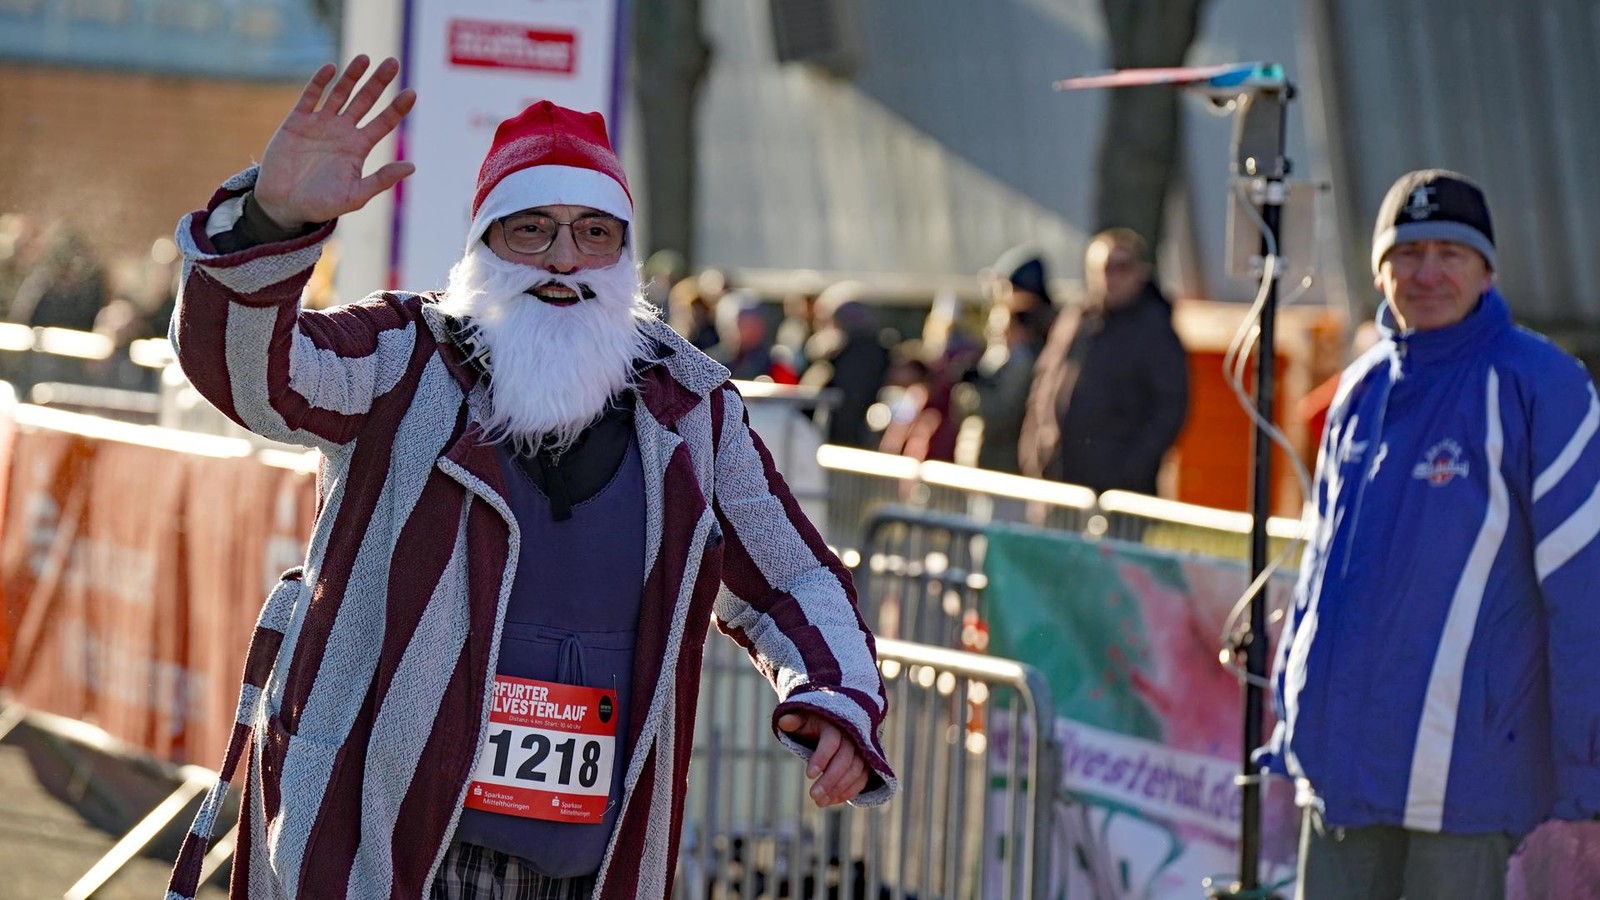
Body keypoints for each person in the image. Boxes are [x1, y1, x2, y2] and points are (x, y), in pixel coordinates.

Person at [163, 56, 895, 900]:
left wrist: (837, 695)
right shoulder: (404, 356)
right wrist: (268, 222)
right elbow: (250, 377)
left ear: (623, 254)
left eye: (594, 232)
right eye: (531, 228)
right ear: (483, 244)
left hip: (588, 861)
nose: (563, 260)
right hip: (382, 845)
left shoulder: (689, 408)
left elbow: (791, 572)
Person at [1256, 170, 1600, 900]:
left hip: (1465, 782)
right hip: (1342, 773)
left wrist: (1587, 776)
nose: (1428, 273)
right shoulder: (1357, 390)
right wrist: (1293, 723)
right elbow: (1318, 574)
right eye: (1407, 254)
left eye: (1451, 252)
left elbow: (1585, 594)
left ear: (1488, 269)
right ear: (1380, 272)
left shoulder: (1544, 385)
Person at [1018, 228, 1188, 494]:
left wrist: (1130, 470)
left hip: (1118, 493)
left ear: (1140, 272)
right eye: (1102, 268)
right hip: (1058, 482)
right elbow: (1043, 384)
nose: (1110, 277)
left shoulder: (1154, 329)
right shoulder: (1076, 318)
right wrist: (1033, 450)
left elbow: (1170, 407)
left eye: (1121, 267)